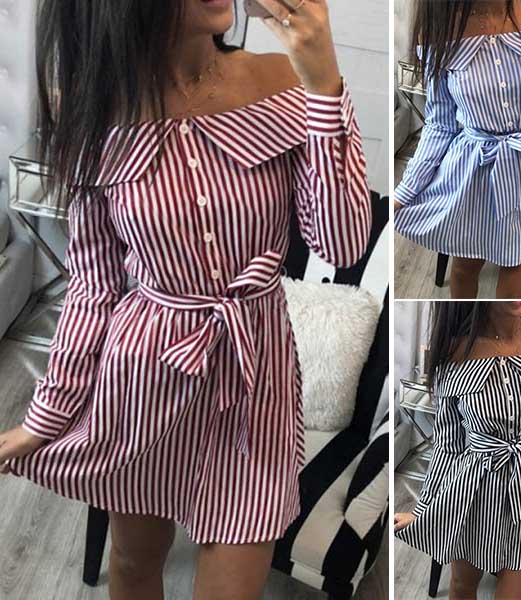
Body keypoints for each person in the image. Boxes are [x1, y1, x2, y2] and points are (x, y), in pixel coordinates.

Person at [0, 1, 372, 599]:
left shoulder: (281, 80)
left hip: (255, 383)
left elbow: (341, 241)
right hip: (143, 380)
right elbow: (94, 288)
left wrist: (324, 83)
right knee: (132, 562)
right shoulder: (96, 112)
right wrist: (46, 417)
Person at [394, 0, 521, 299]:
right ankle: (463, 325)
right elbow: (440, 125)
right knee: (464, 269)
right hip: (471, 175)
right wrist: (405, 191)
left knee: (514, 293)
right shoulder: (440, 26)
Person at [394, 301, 521, 600]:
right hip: (471, 496)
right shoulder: (454, 355)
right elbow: (447, 447)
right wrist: (424, 513)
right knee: (462, 586)